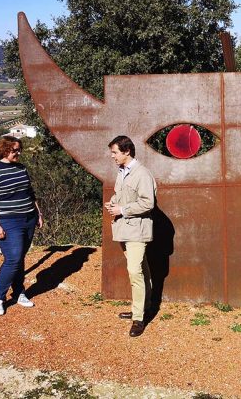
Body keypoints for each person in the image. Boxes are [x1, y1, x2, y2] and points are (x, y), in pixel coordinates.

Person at [0, 136, 43, 315]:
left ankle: (18, 292)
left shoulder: (21, 169)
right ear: (4, 149)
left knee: (20, 258)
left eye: (19, 149)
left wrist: (38, 213)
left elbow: (30, 193)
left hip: (28, 218)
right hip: (8, 221)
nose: (18, 153)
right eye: (15, 150)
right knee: (13, 259)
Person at [104, 135, 157, 337]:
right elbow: (120, 195)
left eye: (115, 152)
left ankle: (138, 318)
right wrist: (113, 203)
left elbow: (147, 203)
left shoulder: (142, 174)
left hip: (136, 230)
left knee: (135, 272)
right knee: (142, 268)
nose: (112, 156)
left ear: (127, 151)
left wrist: (123, 209)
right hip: (124, 229)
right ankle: (144, 307)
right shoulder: (123, 172)